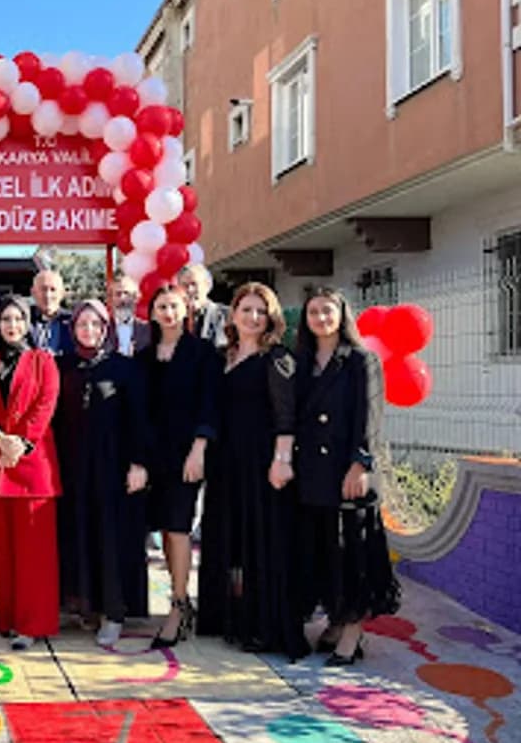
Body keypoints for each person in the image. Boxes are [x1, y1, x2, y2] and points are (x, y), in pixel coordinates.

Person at [196, 284, 307, 660]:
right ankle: (230, 618)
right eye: (246, 309)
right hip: (226, 464)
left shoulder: (276, 358)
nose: (253, 317)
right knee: (229, 539)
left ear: (271, 317)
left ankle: (262, 625)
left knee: (262, 543)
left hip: (263, 463)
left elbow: (286, 415)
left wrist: (282, 459)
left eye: (261, 311)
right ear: (233, 314)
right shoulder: (221, 356)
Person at [294, 287, 400, 666]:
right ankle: (337, 619)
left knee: (351, 551)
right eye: (313, 313)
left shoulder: (360, 360)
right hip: (311, 475)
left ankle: (353, 630)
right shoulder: (303, 360)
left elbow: (370, 417)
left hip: (346, 473)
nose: (320, 318)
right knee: (325, 552)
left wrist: (360, 464)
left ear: (341, 314)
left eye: (327, 311)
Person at [55, 299, 152, 646]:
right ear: (73, 330)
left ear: (106, 328)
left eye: (96, 324)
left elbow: (140, 419)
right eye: (82, 325)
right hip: (74, 469)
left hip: (113, 469)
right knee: (80, 535)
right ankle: (87, 607)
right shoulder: (61, 365)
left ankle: (114, 612)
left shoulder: (124, 368)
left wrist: (139, 463)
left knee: (112, 539)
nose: (89, 331)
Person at [0, 296, 61, 650]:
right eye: (6, 319)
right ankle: (7, 618)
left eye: (18, 319)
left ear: (27, 323)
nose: (12, 325)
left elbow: (45, 405)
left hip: (33, 468)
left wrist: (21, 442)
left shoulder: (43, 361)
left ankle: (32, 623)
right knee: (3, 553)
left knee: (34, 555)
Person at [139, 283, 220, 649]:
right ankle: (180, 597)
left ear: (186, 311)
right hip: (153, 457)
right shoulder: (144, 356)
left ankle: (177, 604)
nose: (168, 313)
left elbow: (209, 404)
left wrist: (200, 449)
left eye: (174, 306)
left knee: (178, 528)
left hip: (187, 455)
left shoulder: (202, 353)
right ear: (152, 312)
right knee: (165, 531)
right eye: (161, 306)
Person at [177, 264, 228, 350]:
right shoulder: (174, 319)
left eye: (194, 284)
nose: (190, 290)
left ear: (207, 286)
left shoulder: (226, 315)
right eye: (185, 285)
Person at [29, 269, 73, 356]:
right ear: (33, 292)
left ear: (62, 293)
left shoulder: (72, 321)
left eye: (53, 289)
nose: (48, 295)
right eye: (43, 289)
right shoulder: (22, 320)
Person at [107, 276, 151, 358]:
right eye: (118, 294)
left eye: (126, 293)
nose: (122, 298)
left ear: (136, 298)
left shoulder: (149, 330)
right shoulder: (103, 330)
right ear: (110, 299)